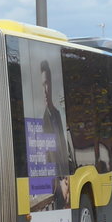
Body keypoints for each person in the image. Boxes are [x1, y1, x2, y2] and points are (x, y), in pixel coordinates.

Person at [40, 59, 72, 208]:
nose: (45, 90)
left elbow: (64, 150)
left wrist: (66, 179)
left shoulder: (58, 114)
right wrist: (59, 182)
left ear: (51, 85)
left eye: (47, 84)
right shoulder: (42, 120)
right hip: (54, 183)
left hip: (63, 179)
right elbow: (46, 157)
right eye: (43, 85)